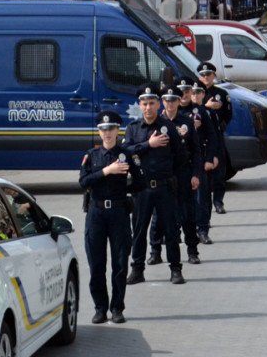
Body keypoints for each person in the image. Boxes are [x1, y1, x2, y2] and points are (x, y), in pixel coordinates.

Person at [80, 111, 145, 324]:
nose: (107, 133)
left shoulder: (126, 155)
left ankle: (117, 308)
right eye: (103, 129)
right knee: (96, 264)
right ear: (99, 132)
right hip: (96, 213)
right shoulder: (92, 155)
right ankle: (100, 308)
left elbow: (140, 182)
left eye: (111, 129)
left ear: (118, 130)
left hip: (118, 212)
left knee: (119, 264)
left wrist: (125, 190)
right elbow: (83, 182)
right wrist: (107, 171)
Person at [125, 85, 184, 285]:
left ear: (159, 105)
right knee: (139, 231)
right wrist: (148, 145)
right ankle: (137, 270)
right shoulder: (133, 129)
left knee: (171, 230)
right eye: (144, 104)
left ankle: (176, 269)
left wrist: (174, 179)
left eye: (152, 103)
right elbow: (125, 154)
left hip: (165, 187)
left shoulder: (167, 128)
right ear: (140, 106)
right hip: (141, 189)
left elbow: (180, 157)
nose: (148, 107)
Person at [156, 85, 203, 265]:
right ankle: (156, 251)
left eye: (174, 100)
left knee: (187, 215)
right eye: (167, 100)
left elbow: (196, 151)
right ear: (162, 102)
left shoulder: (186, 122)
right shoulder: (157, 123)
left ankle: (192, 250)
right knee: (160, 216)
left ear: (178, 101)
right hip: (164, 175)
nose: (170, 103)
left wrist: (196, 174)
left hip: (183, 173)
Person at [187, 80, 220, 244]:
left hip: (200, 158)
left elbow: (213, 136)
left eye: (196, 92)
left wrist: (211, 157)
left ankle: (202, 230)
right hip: (182, 161)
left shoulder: (203, 111)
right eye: (190, 92)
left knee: (202, 197)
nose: (193, 95)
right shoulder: (177, 110)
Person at [197, 61, 232, 214]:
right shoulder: (196, 92)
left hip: (216, 135)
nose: (205, 77)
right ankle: (203, 207)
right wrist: (207, 107)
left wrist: (221, 124)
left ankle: (218, 201)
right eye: (203, 75)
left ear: (213, 75)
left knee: (219, 171)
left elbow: (228, 114)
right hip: (199, 137)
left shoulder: (221, 94)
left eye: (208, 74)